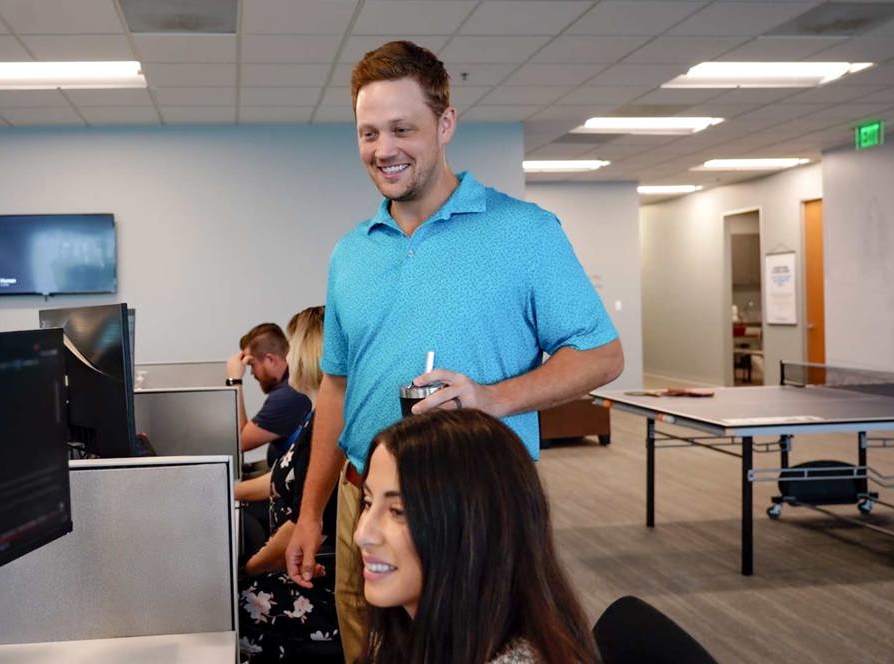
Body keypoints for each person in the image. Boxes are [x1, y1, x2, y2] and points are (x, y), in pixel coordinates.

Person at [285, 40, 624, 662]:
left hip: (473, 509)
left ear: (445, 124)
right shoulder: (351, 253)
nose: (383, 149)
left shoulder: (524, 232)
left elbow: (602, 355)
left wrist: (490, 398)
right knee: (370, 649)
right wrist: (310, 513)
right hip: (364, 498)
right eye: (367, 133)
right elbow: (335, 388)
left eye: (401, 128)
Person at [354, 409, 599, 664]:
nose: (362, 534)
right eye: (368, 503)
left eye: (398, 511)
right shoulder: (407, 628)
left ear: (473, 530)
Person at [234, 306, 342, 663]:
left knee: (234, 604)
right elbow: (280, 478)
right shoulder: (315, 417)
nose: (286, 356)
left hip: (311, 572)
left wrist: (246, 570)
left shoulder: (326, 430)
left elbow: (301, 523)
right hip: (294, 558)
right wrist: (223, 491)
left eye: (292, 346)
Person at [228, 322, 312, 467]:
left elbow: (238, 442)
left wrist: (235, 381)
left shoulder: (288, 396)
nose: (252, 373)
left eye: (252, 364)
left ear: (270, 360)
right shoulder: (290, 386)